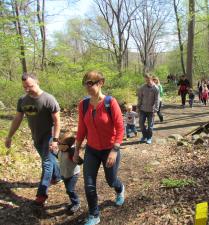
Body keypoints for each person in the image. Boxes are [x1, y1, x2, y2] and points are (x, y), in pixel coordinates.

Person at [73, 70, 125, 225]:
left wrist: (114, 151)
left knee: (111, 180)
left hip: (110, 149)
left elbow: (120, 128)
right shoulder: (83, 105)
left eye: (91, 83)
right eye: (86, 84)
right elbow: (81, 129)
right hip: (92, 150)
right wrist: (76, 150)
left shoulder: (110, 102)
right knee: (88, 184)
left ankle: (120, 189)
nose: (88, 87)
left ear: (101, 83)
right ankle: (94, 214)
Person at [4, 72, 61, 206]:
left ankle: (42, 194)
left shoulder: (49, 99)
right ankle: (58, 176)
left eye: (30, 86)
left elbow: (57, 121)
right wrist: (9, 136)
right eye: (25, 87)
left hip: (49, 135)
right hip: (36, 136)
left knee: (46, 163)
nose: (27, 89)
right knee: (49, 159)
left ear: (37, 82)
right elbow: (18, 119)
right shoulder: (22, 100)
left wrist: (55, 140)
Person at [57, 131, 82, 213]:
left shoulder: (71, 153)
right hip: (65, 173)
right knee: (68, 189)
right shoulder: (60, 151)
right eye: (58, 142)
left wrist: (76, 157)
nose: (58, 144)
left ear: (67, 146)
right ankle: (73, 202)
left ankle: (76, 203)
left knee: (70, 190)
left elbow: (80, 161)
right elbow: (58, 157)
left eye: (60, 143)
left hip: (73, 174)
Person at [137, 74, 159, 144]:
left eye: (148, 80)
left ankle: (149, 137)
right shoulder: (142, 87)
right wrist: (138, 107)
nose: (147, 81)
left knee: (150, 126)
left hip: (151, 110)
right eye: (146, 80)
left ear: (152, 79)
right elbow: (140, 98)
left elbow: (157, 100)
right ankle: (144, 135)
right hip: (143, 109)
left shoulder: (156, 88)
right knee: (141, 123)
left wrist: (156, 110)